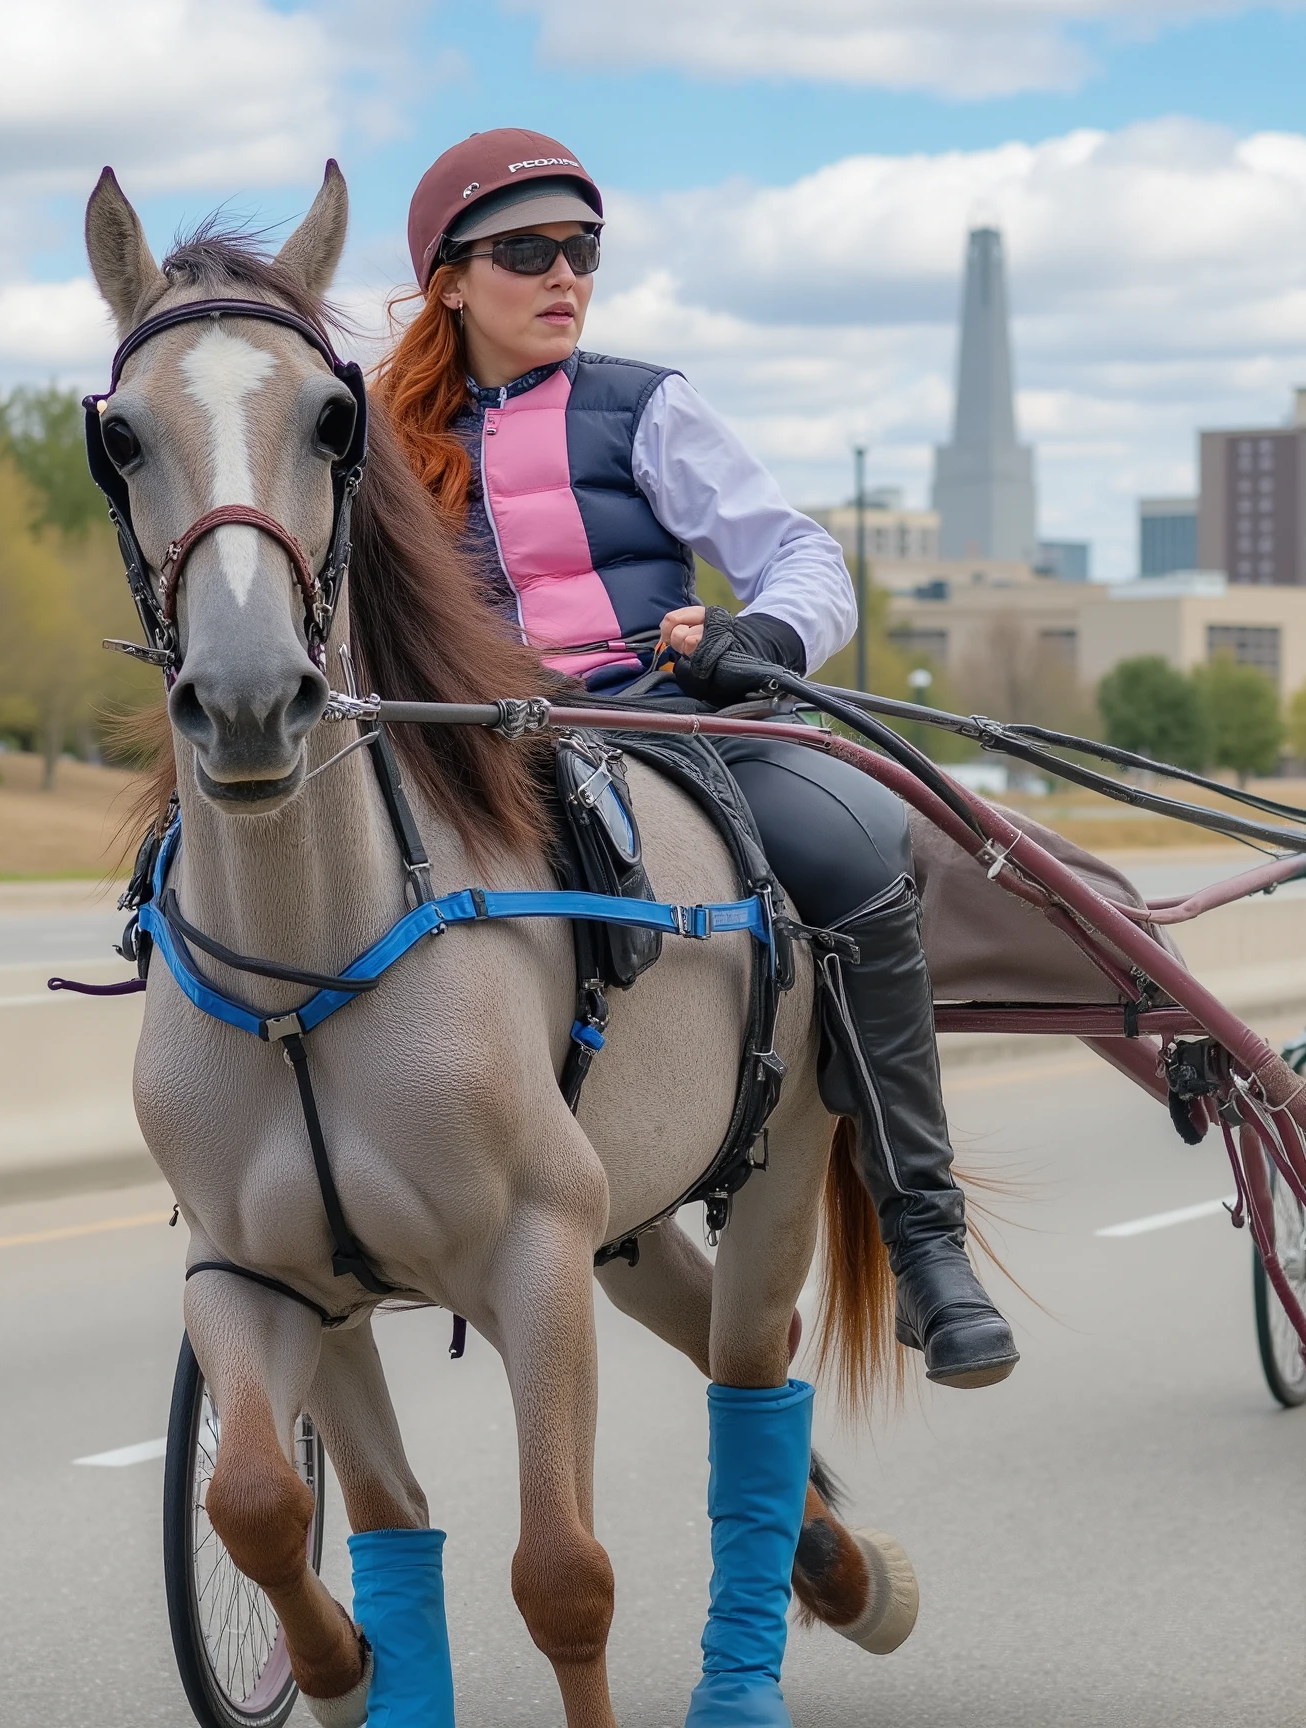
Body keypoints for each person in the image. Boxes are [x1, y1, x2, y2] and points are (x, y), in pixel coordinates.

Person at [373, 130, 1016, 1393]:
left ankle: (927, 1243)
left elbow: (805, 560)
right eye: (526, 252)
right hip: (462, 754)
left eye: (583, 250)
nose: (565, 274)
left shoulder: (647, 405)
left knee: (855, 862)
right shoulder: (377, 445)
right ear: (448, 279)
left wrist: (756, 636)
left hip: (666, 726)